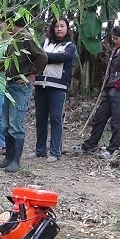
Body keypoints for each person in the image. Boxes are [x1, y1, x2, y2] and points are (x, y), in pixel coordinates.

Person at [0, 13, 47, 172]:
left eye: (2, 23)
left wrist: (32, 75)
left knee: (15, 124)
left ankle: (15, 161)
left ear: (9, 23)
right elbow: (6, 61)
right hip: (10, 84)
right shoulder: (14, 39)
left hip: (20, 87)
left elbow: (42, 56)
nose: (1, 26)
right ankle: (8, 158)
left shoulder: (26, 37)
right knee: (6, 123)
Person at [73, 25, 120, 159]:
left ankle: (113, 149)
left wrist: (118, 87)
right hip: (110, 89)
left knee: (117, 121)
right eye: (113, 38)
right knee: (100, 117)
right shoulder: (117, 50)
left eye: (117, 38)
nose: (114, 41)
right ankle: (90, 145)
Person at [31, 17, 76, 162]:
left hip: (58, 87)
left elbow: (64, 58)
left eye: (62, 26)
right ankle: (40, 150)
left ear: (67, 28)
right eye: (56, 26)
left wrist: (44, 56)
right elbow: (36, 56)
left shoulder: (70, 45)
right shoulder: (45, 43)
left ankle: (55, 152)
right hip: (40, 84)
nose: (59, 29)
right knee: (40, 119)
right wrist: (48, 57)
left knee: (56, 119)